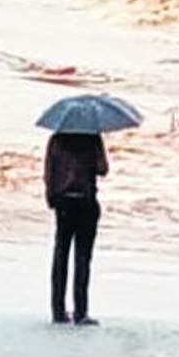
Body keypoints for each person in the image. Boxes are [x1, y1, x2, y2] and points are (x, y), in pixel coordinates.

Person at [44, 133, 108, 325]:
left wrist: (51, 198)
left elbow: (49, 172)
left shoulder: (56, 139)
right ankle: (80, 312)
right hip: (85, 201)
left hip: (63, 202)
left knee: (60, 255)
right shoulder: (93, 138)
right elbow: (102, 169)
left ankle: (58, 311)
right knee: (82, 258)